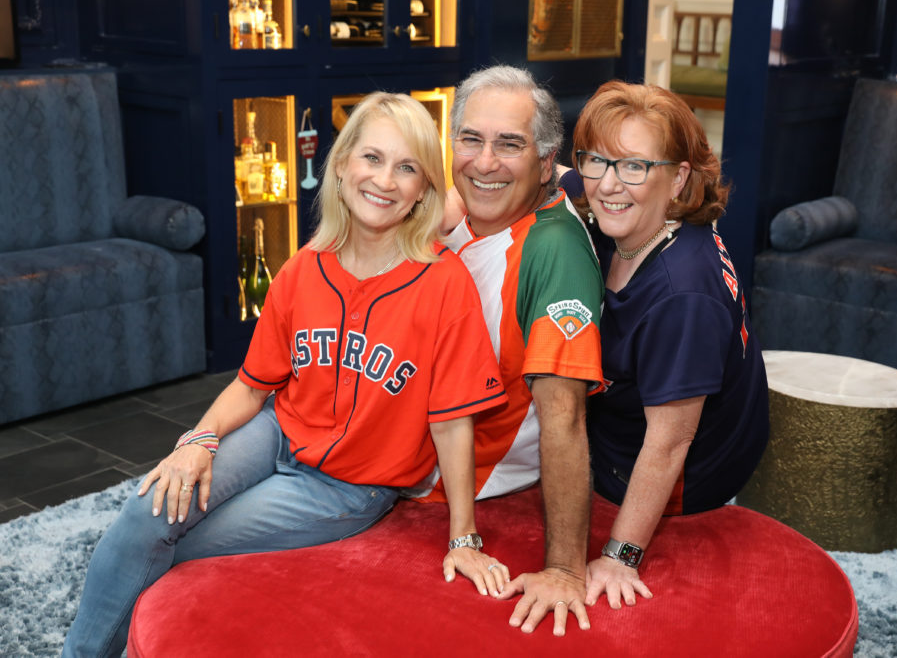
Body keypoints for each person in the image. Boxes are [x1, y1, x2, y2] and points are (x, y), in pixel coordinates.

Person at [62, 92, 509, 657]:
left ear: (425, 189)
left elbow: (451, 424)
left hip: (347, 485)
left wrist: (464, 538)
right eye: (371, 158)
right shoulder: (303, 267)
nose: (385, 180)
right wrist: (196, 442)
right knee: (146, 515)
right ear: (343, 165)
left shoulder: (445, 285)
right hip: (276, 432)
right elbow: (253, 385)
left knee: (182, 541)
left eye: (408, 167)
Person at [571, 81, 770, 610]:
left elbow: (669, 443)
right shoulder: (646, 218)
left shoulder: (682, 294)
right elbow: (565, 177)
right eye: (598, 160)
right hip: (643, 421)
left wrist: (620, 554)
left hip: (687, 472)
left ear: (679, 177)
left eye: (634, 166)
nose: (609, 184)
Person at [424, 65, 605, 636]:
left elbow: (565, 418)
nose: (485, 162)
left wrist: (564, 569)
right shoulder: (469, 204)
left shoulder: (553, 254)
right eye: (471, 140)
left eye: (510, 145)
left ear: (544, 161)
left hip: (446, 476)